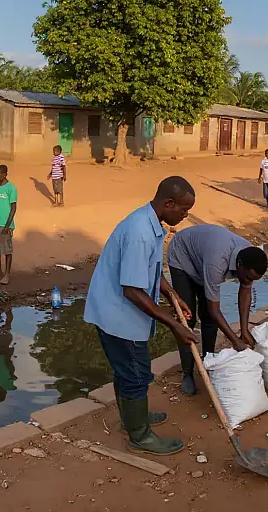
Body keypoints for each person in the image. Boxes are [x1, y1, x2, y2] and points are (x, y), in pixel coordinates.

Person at [84, 176, 199, 455]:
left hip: (118, 310)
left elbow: (151, 270)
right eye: (183, 210)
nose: (185, 216)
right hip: (119, 315)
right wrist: (174, 326)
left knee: (127, 371)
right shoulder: (140, 232)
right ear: (168, 203)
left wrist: (173, 295)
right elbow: (133, 290)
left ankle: (132, 419)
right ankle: (139, 435)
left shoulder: (151, 224)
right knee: (136, 374)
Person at [164, 225, 268, 396]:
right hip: (183, 257)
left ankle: (208, 362)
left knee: (208, 319)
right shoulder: (217, 261)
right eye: (248, 277)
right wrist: (235, 340)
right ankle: (188, 374)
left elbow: (245, 291)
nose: (249, 281)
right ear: (239, 264)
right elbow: (215, 309)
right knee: (187, 319)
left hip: (202, 258)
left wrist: (244, 331)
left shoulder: (249, 255)